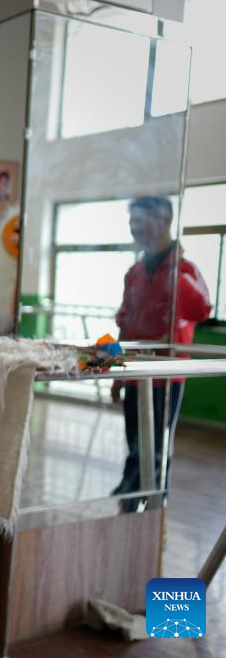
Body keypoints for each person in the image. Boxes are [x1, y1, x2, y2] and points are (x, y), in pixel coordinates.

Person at [111, 196, 212, 502]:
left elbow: (201, 310)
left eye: (140, 221)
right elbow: (126, 324)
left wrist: (175, 273)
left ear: (164, 221)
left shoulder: (185, 269)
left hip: (166, 377)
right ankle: (131, 494)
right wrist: (116, 372)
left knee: (157, 444)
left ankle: (153, 501)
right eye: (131, 222)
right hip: (134, 372)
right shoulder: (134, 273)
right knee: (134, 439)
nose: (134, 229)